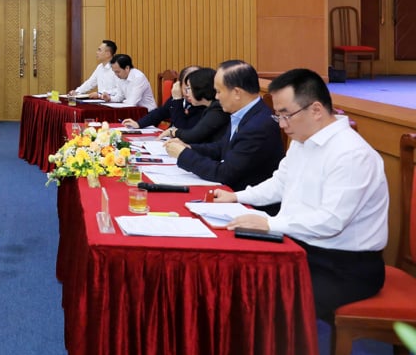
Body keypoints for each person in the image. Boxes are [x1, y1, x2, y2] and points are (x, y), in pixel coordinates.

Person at [215, 68, 389, 321]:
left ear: (316, 110)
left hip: (344, 267)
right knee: (234, 274)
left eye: (287, 116)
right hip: (301, 248)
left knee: (260, 302)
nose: (282, 125)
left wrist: (268, 223)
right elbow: (280, 184)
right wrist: (238, 197)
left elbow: (331, 221)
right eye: (278, 116)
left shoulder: (351, 154)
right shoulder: (301, 141)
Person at [164, 60, 284, 194]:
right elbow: (222, 147)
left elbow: (225, 173)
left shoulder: (258, 126)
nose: (216, 96)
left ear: (237, 93)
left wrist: (183, 155)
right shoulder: (244, 113)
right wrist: (190, 147)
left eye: (219, 91)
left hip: (247, 201)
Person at [160, 67, 230, 143]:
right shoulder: (210, 107)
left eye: (189, 88)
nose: (186, 93)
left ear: (200, 88)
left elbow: (194, 135)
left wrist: (173, 132)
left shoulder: (218, 109)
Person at [123, 65, 202, 130]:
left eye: (195, 88)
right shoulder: (178, 97)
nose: (191, 92)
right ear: (179, 85)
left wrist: (177, 100)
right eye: (187, 88)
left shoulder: (201, 104)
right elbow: (160, 112)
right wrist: (138, 123)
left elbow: (182, 128)